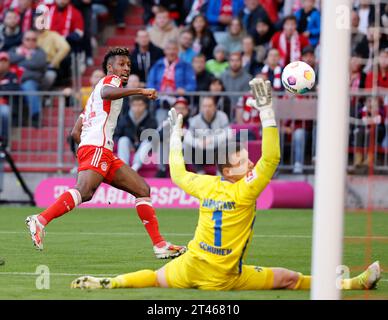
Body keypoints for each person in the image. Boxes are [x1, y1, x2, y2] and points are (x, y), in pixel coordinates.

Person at [71, 79, 382, 292]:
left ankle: (109, 282)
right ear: (230, 169)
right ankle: (354, 284)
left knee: (154, 278)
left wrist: (176, 135)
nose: (250, 162)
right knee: (289, 279)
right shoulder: (246, 191)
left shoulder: (207, 185)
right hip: (226, 277)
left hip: (191, 266)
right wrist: (266, 111)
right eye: (244, 159)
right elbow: (272, 157)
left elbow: (178, 173)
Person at [25, 47, 186, 259]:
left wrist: (84, 151)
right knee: (84, 190)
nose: (126, 69)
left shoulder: (92, 99)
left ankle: (160, 244)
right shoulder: (110, 82)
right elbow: (108, 93)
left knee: (142, 189)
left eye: (128, 65)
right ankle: (40, 219)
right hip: (98, 147)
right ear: (110, 68)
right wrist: (140, 91)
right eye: (121, 64)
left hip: (100, 149)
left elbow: (75, 132)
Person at [147, 40, 196, 125]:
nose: (171, 52)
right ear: (165, 51)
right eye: (169, 49)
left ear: (178, 51)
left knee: (178, 126)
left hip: (179, 102)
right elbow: (150, 82)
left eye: (174, 49)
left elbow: (192, 84)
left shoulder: (185, 65)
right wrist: (154, 91)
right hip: (161, 102)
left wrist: (185, 90)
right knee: (161, 126)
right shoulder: (157, 65)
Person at [8, 30, 47, 127]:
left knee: (28, 86)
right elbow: (9, 58)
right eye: (28, 39)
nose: (31, 42)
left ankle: (35, 117)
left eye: (34, 40)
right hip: (13, 81)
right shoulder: (14, 49)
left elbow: (38, 63)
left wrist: (19, 61)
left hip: (31, 81)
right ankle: (14, 119)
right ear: (22, 40)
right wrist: (26, 56)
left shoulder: (40, 52)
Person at [184, 96, 231, 174]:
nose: (207, 109)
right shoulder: (195, 120)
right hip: (202, 152)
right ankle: (200, 173)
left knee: (228, 145)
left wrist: (211, 139)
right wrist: (198, 143)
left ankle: (220, 174)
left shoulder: (222, 116)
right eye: (204, 106)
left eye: (210, 106)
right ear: (201, 108)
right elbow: (187, 137)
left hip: (217, 150)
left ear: (215, 107)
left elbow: (229, 134)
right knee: (187, 146)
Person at [115, 95, 158, 172]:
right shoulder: (125, 119)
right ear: (130, 106)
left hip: (143, 147)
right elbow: (116, 136)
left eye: (140, 105)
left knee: (148, 141)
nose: (137, 108)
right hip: (129, 145)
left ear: (145, 106)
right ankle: (124, 168)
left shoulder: (151, 120)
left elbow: (154, 137)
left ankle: (135, 167)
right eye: (134, 105)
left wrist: (138, 144)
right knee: (123, 140)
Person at [0, 51, 19, 147]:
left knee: (4, 113)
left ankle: (3, 142)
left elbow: (13, 89)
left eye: (5, 61)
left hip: (5, 104)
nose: (2, 64)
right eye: (0, 61)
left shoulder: (12, 75)